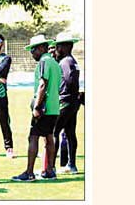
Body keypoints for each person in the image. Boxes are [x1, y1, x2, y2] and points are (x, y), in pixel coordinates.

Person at [13, 35, 62, 181]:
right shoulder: (54, 62)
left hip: (43, 108)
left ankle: (29, 172)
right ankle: (49, 170)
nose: (32, 53)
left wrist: (37, 106)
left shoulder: (44, 62)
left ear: (41, 48)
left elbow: (42, 85)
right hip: (54, 107)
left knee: (33, 136)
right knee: (48, 137)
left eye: (33, 49)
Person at [53, 32, 82, 174]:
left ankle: (50, 167)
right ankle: (72, 165)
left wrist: (60, 93)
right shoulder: (73, 61)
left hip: (64, 102)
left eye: (58, 46)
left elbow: (69, 81)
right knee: (70, 133)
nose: (56, 48)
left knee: (54, 132)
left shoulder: (65, 62)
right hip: (73, 103)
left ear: (65, 47)